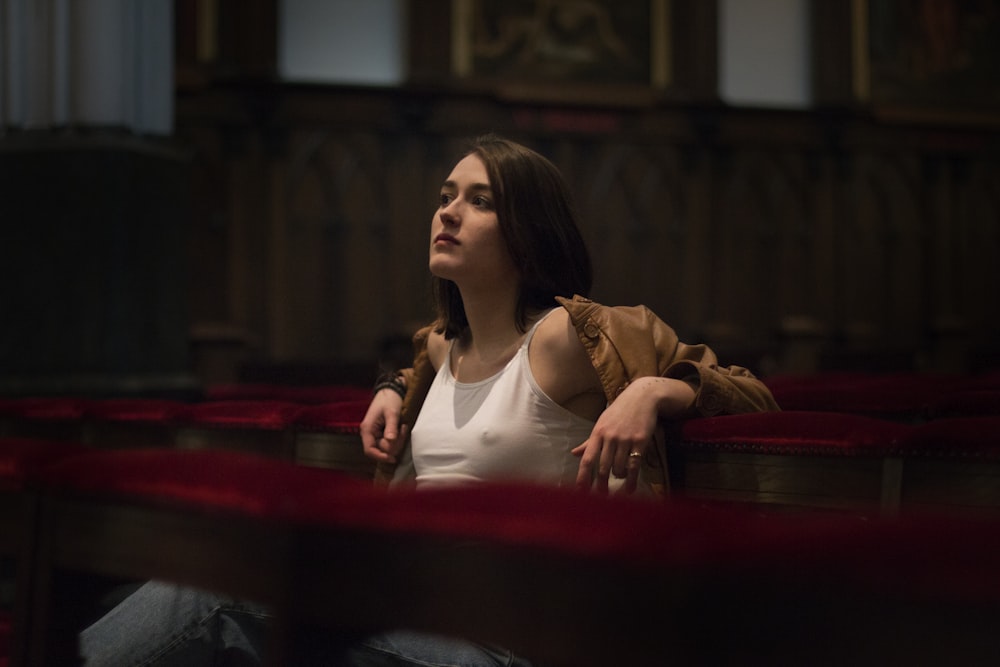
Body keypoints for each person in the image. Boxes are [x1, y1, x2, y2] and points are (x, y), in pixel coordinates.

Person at [79, 135, 778, 666]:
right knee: (222, 566)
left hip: (512, 632)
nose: (449, 211)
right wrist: (391, 386)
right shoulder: (447, 348)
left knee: (228, 593)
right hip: (411, 601)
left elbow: (751, 395)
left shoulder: (568, 336)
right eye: (446, 195)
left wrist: (653, 390)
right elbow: (423, 350)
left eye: (480, 200)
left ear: (528, 231)